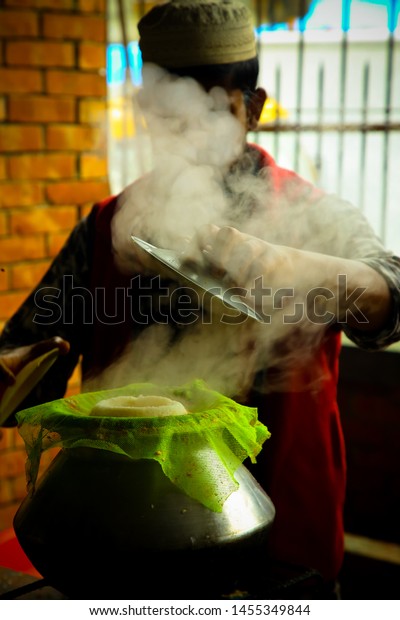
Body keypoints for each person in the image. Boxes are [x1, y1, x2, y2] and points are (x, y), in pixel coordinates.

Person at [1, 0, 399, 593]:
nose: (187, 132)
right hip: (120, 543)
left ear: (254, 108)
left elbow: (390, 294)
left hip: (279, 549)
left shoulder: (313, 218)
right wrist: (17, 370)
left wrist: (300, 268)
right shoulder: (106, 227)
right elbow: (29, 355)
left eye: (212, 108)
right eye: (169, 112)